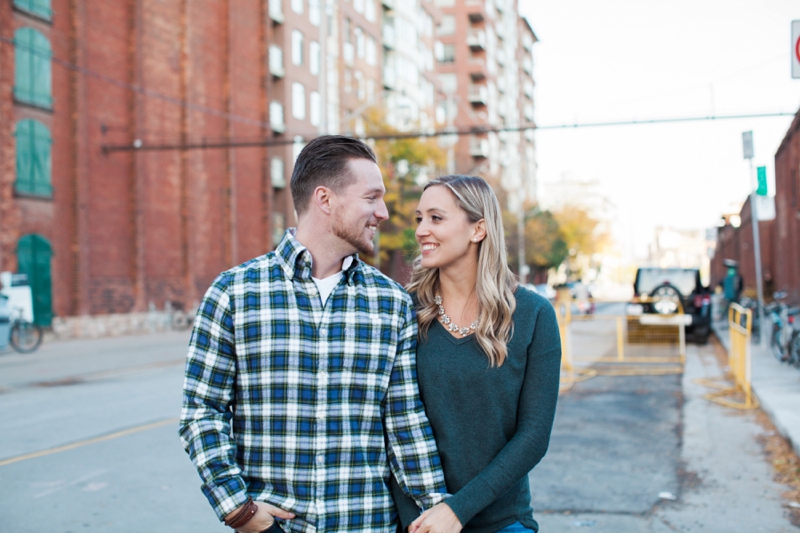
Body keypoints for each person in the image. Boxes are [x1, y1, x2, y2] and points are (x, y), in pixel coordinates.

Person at [180, 135, 449, 533]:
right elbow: (202, 412)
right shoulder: (234, 293)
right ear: (325, 199)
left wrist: (437, 508)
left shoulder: (391, 303)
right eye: (372, 197)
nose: (385, 212)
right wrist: (240, 511)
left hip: (367, 524)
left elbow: (405, 422)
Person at [391, 175, 562, 533]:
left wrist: (457, 510)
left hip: (502, 522)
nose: (422, 230)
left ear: (478, 229)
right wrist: (418, 520)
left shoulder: (533, 315)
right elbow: (389, 426)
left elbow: (533, 436)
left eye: (436, 218)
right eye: (419, 218)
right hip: (416, 523)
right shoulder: (402, 311)